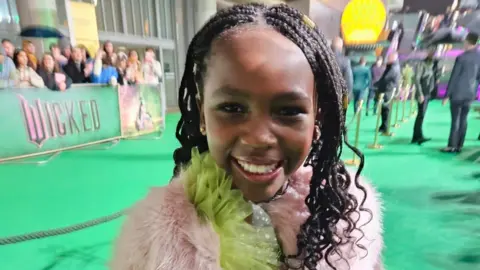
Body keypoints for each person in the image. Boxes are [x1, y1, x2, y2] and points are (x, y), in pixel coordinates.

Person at [111, 4, 383, 270]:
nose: (258, 138)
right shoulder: (153, 241)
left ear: (317, 120)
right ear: (203, 112)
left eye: (288, 111)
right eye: (232, 108)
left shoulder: (349, 226)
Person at [441, 32, 480, 153]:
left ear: (468, 42)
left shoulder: (461, 57)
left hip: (457, 93)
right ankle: (459, 145)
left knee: (455, 120)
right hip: (470, 93)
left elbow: (454, 77)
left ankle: (452, 145)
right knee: (464, 119)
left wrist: (447, 95)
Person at [411, 50, 438, 145]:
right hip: (422, 93)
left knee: (421, 115)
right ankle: (417, 136)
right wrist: (420, 94)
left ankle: (418, 136)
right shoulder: (421, 65)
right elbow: (416, 79)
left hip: (427, 93)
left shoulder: (430, 66)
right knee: (420, 115)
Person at [375, 52, 401, 133]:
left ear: (393, 58)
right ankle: (383, 125)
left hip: (388, 90)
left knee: (386, 109)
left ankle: (385, 126)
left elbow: (386, 78)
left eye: (389, 58)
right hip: (385, 89)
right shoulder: (391, 67)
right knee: (383, 109)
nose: (387, 59)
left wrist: (378, 83)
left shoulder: (394, 68)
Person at [331, 37, 353, 109]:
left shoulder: (322, 58)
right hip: (339, 97)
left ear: (331, 46)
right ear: (341, 47)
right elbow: (348, 81)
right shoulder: (345, 60)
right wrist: (347, 98)